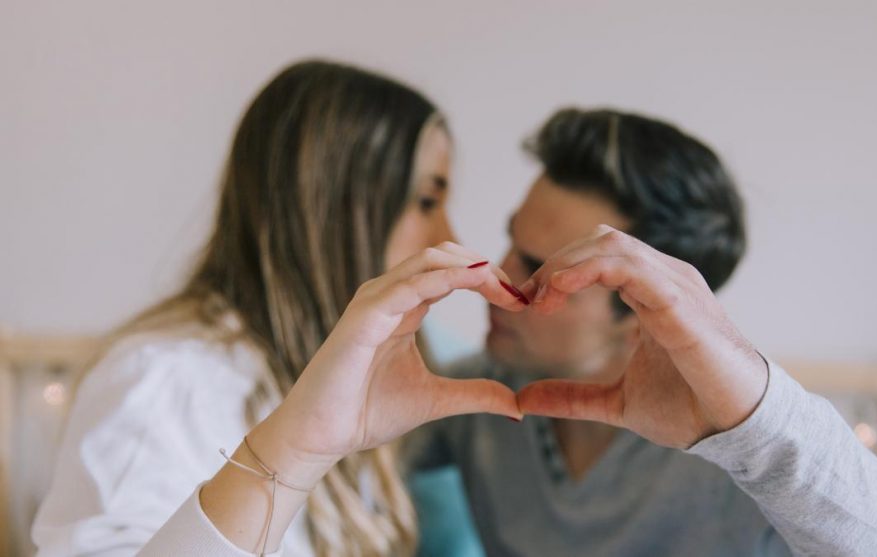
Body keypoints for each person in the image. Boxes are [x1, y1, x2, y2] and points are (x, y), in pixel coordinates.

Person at [409, 108, 877, 556]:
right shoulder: (478, 396)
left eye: (543, 267)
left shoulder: (740, 454)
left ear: (639, 310)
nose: (500, 278)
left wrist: (757, 430)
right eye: (512, 241)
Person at [32, 59, 528, 556]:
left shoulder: (370, 368)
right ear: (331, 207)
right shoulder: (160, 381)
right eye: (426, 202)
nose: (449, 237)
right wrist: (292, 451)